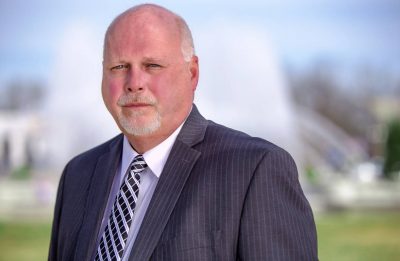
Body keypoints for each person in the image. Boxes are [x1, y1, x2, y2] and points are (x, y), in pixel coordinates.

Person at [48, 4, 318, 261]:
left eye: (152, 65)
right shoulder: (78, 174)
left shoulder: (255, 169)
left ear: (192, 73)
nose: (134, 83)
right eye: (119, 67)